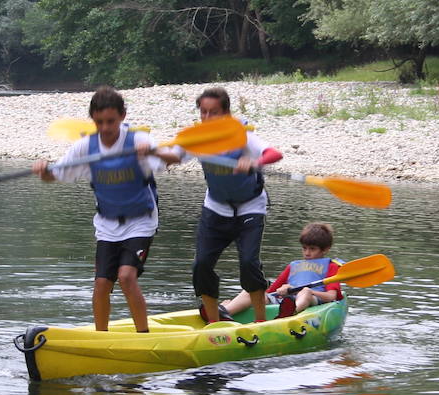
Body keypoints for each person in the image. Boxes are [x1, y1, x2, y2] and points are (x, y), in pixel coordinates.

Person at [32, 86, 163, 333]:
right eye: (99, 121)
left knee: (126, 277)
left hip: (141, 221)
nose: (105, 128)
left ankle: (143, 335)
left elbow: (169, 160)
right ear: (92, 119)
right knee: (102, 283)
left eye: (111, 121)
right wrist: (44, 171)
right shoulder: (85, 147)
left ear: (123, 116)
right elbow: (56, 176)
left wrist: (153, 152)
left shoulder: (138, 141)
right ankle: (100, 337)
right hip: (107, 225)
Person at [160, 86, 283, 323]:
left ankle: (261, 322)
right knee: (201, 265)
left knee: (248, 263)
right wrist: (151, 153)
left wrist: (254, 161)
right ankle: (214, 322)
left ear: (226, 113)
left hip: (250, 207)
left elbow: (273, 154)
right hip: (216, 208)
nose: (207, 118)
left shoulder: (242, 135)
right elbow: (174, 157)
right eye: (203, 112)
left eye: (213, 112)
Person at [222, 222, 342, 319]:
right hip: (285, 301)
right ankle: (225, 311)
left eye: (312, 249)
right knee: (252, 291)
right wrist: (283, 289)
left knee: (305, 293)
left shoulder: (331, 266)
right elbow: (269, 292)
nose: (307, 253)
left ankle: (290, 313)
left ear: (325, 249)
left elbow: (331, 296)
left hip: (312, 300)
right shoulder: (293, 266)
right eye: (304, 248)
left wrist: (307, 291)